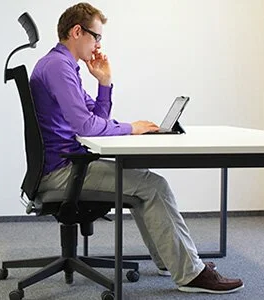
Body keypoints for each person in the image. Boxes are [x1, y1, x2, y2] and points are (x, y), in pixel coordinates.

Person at [30, 2, 244, 294]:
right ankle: (190, 274)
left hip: (66, 164)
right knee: (154, 185)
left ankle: (174, 262)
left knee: (145, 183)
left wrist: (104, 82)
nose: (98, 44)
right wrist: (132, 127)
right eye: (96, 36)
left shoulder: (63, 66)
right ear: (77, 31)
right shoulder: (58, 67)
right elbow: (86, 127)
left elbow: (97, 119)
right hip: (62, 172)